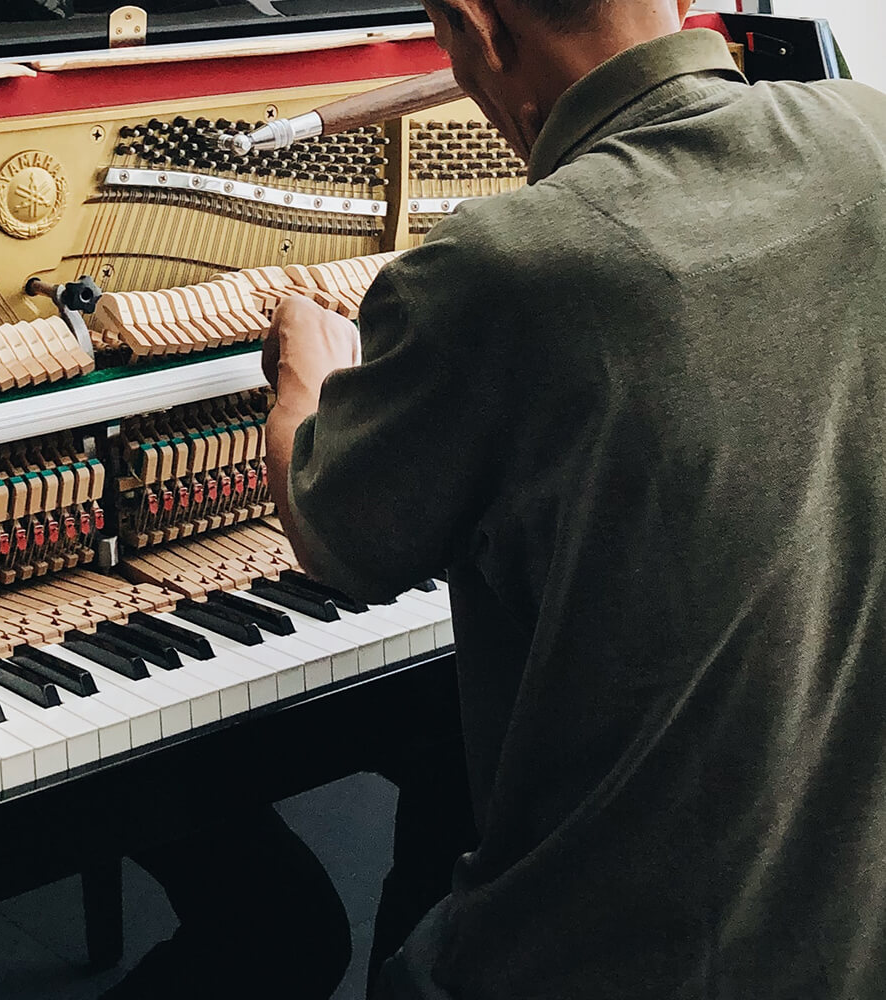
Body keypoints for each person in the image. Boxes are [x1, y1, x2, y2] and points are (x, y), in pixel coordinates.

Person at [264, 0, 886, 997]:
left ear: (477, 27)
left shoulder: (500, 266)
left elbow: (335, 535)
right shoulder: (869, 135)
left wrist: (309, 368)